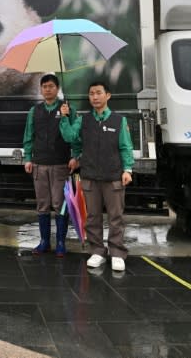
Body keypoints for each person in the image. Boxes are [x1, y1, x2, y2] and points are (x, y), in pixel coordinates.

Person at [59, 81, 134, 272]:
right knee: (92, 216)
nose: (94, 97)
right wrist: (64, 117)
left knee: (116, 216)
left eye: (99, 93)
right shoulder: (83, 120)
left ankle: (117, 252)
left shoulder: (119, 120)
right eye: (91, 93)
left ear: (107, 95)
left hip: (113, 176)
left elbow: (126, 147)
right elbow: (70, 137)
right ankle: (97, 251)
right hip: (90, 175)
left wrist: (128, 170)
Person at [22, 74, 77, 256]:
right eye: (44, 86)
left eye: (51, 86)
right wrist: (28, 158)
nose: (47, 89)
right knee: (43, 204)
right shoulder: (34, 111)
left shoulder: (68, 108)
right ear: (40, 89)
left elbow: (75, 137)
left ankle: (61, 242)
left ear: (57, 88)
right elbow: (29, 137)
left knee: (60, 204)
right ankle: (44, 241)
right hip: (39, 165)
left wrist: (75, 156)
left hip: (60, 164)